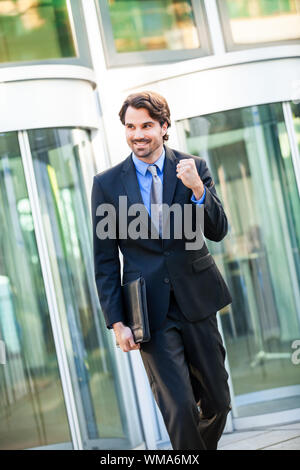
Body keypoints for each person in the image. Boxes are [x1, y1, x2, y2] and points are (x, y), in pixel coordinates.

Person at [91, 91, 232, 450]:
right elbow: (105, 259)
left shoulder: (192, 167)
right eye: (130, 127)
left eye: (146, 126)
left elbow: (217, 231)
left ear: (164, 126)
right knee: (180, 409)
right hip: (149, 312)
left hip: (196, 300)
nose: (137, 134)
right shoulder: (107, 185)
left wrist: (198, 190)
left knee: (218, 401)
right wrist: (117, 322)